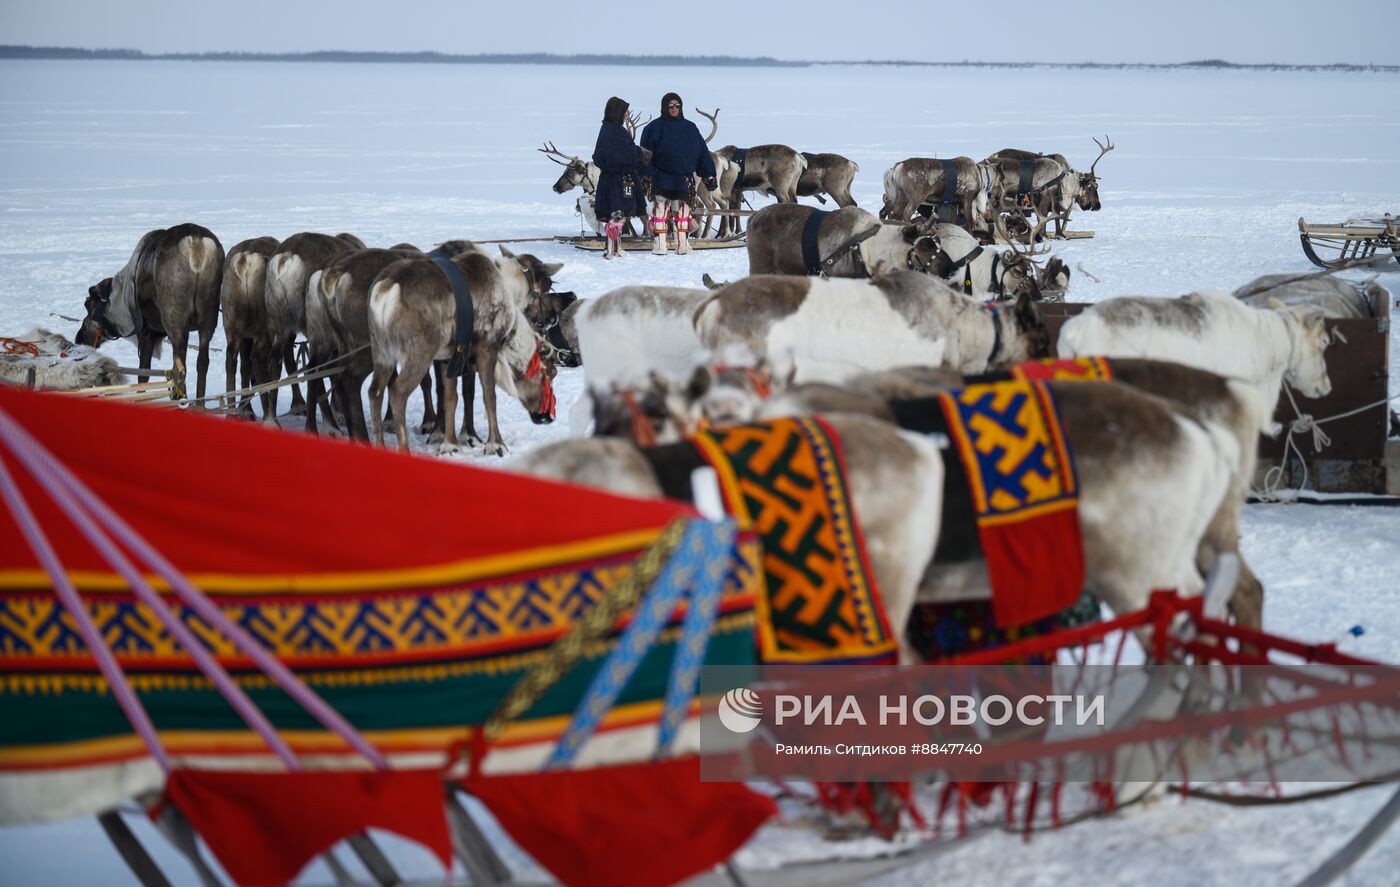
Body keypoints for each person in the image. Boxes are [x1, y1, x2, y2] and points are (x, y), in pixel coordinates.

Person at [639, 93, 718, 255]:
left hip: (683, 178)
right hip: (661, 177)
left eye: (677, 106)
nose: (674, 109)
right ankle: (660, 245)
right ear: (664, 107)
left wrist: (708, 174)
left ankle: (682, 244)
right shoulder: (653, 128)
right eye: (670, 106)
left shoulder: (690, 128)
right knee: (660, 213)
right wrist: (646, 173)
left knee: (683, 214)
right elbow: (646, 154)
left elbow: (702, 152)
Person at [591, 96, 648, 258]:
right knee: (617, 216)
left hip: (610, 179)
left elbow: (599, 157)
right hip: (620, 181)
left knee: (616, 215)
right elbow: (625, 155)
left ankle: (615, 248)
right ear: (618, 112)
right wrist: (640, 153)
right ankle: (612, 250)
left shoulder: (607, 129)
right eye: (624, 111)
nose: (627, 115)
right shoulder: (616, 131)